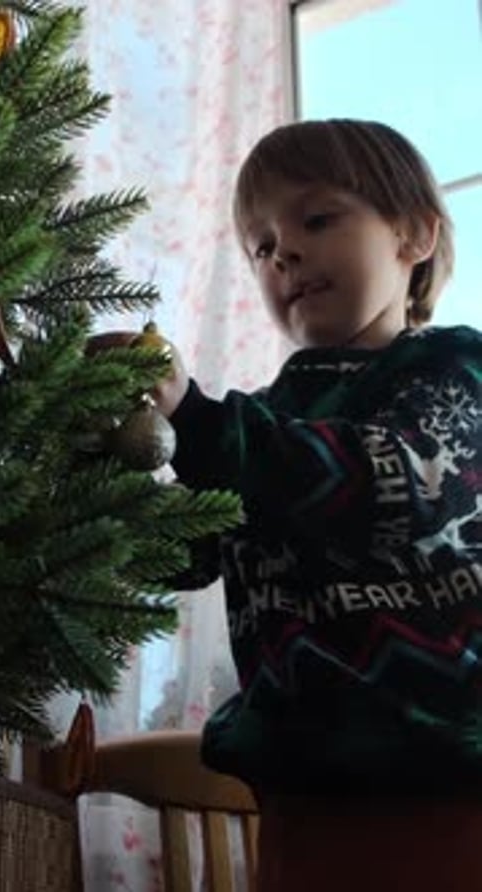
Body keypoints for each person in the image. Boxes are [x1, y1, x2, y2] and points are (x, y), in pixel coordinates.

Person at [153, 119, 482, 890]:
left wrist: (196, 421)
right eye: (262, 246)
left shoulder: (451, 370)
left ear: (416, 236)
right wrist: (112, 457)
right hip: (300, 776)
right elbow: (187, 552)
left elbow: (396, 482)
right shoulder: (262, 423)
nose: (284, 254)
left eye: (318, 219)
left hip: (447, 766)